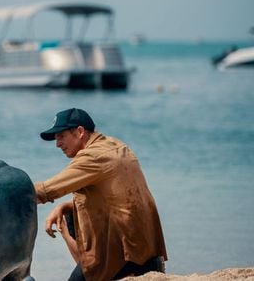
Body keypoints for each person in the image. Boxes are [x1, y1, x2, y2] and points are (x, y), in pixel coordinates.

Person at [33, 108, 167, 281]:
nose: (57, 144)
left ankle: (93, 271)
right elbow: (112, 200)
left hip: (127, 257)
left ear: (80, 132)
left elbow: (46, 190)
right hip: (148, 252)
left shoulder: (93, 157)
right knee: (71, 211)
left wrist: (9, 194)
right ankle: (89, 268)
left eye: (61, 136)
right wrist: (63, 207)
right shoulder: (115, 145)